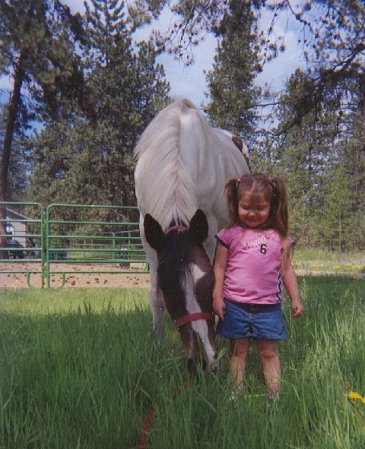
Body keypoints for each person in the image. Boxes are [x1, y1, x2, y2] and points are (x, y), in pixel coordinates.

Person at [212, 173, 304, 399]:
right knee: (237, 350)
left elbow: (286, 270)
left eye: (260, 208)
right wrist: (217, 296)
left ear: (272, 205)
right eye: (246, 207)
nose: (252, 213)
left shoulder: (279, 237)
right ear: (236, 205)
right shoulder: (229, 235)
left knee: (269, 352)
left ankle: (274, 396)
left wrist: (295, 298)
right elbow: (219, 268)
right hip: (235, 305)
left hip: (268, 308)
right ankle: (235, 394)